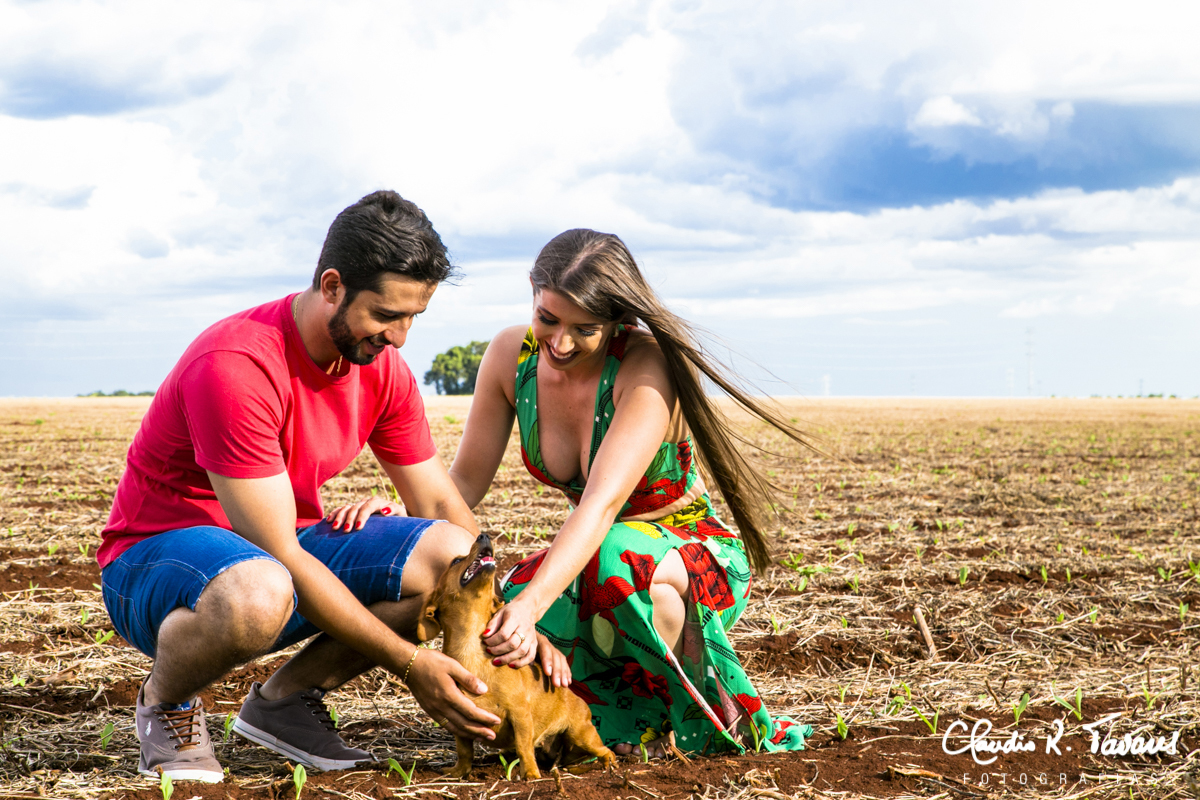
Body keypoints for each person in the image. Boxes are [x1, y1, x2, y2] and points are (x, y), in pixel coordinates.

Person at [98, 191, 503, 783]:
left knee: (448, 555)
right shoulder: (236, 364)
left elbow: (441, 503)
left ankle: (283, 703)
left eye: (413, 316)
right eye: (386, 315)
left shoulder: (381, 367)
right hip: (158, 563)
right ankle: (166, 703)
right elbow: (278, 554)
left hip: (276, 553)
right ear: (332, 286)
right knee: (258, 592)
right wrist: (411, 663)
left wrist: (507, 615)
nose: (400, 337)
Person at [449, 229, 813, 756]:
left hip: (687, 557)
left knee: (611, 562)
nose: (560, 343)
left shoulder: (645, 366)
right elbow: (462, 483)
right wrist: (395, 510)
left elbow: (601, 506)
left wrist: (531, 607)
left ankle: (708, 722)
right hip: (595, 554)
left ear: (620, 320)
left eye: (585, 329)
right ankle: (613, 725)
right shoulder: (511, 356)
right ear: (531, 289)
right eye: (548, 318)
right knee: (504, 599)